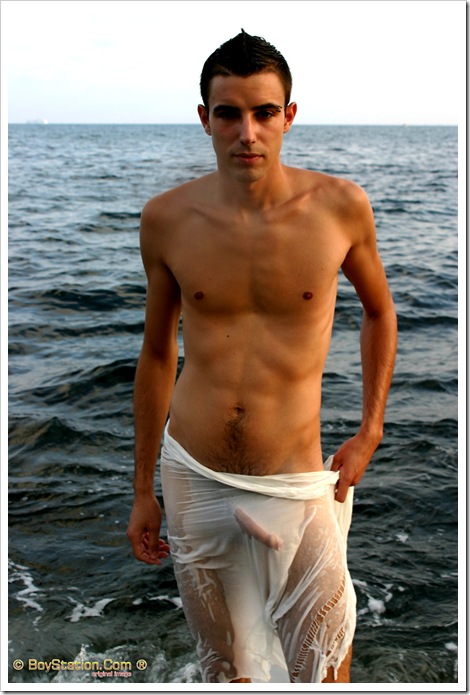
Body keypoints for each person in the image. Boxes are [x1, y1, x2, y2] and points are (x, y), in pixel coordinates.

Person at [127, 30, 397, 684]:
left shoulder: (339, 207)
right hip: (193, 474)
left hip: (296, 481)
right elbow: (159, 350)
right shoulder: (167, 218)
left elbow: (380, 311)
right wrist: (141, 490)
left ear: (289, 116)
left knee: (326, 665)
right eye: (228, 113)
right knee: (225, 669)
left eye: (264, 112)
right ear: (204, 119)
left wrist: (370, 429)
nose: (247, 132)